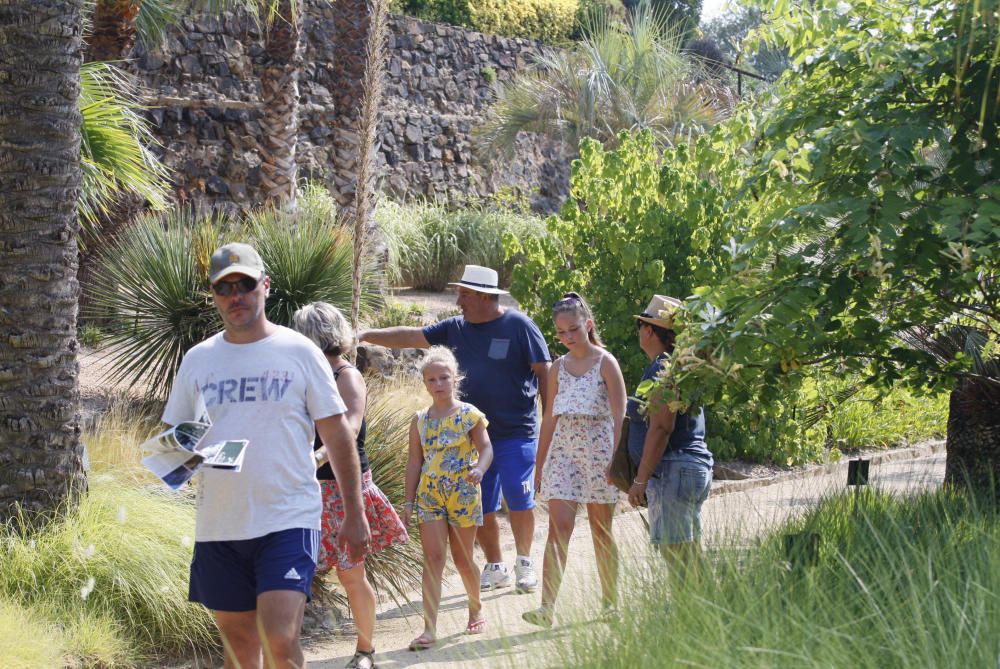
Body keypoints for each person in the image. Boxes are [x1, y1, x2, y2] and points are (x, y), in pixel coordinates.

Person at [162, 242, 371, 669]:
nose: (236, 296)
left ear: (265, 287)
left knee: (279, 636)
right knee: (240, 651)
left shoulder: (300, 353)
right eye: (225, 288)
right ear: (214, 296)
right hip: (220, 524)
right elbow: (176, 445)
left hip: (287, 518)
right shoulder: (198, 360)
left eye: (246, 285)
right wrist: (184, 460)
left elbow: (337, 436)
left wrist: (355, 512)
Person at [359, 265, 551, 594]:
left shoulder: (519, 325)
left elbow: (543, 371)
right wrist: (363, 335)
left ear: (484, 296)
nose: (458, 300)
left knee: (519, 496)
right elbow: (410, 335)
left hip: (516, 431)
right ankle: (495, 565)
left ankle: (524, 562)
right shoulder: (455, 328)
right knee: (483, 504)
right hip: (470, 438)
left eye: (464, 294)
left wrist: (550, 420)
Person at [292, 302, 409, 669]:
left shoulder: (346, 376)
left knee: (351, 574)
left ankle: (365, 650)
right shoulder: (302, 375)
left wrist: (316, 458)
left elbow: (350, 428)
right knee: (294, 576)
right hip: (305, 490)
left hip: (342, 488)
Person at [522, 293, 627, 628]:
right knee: (558, 529)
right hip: (564, 455)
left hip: (600, 456)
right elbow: (549, 417)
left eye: (573, 329)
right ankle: (546, 608)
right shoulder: (557, 368)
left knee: (601, 531)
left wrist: (617, 462)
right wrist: (540, 466)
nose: (567, 337)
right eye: (561, 332)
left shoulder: (606, 362)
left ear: (588, 325)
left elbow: (620, 414)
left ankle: (610, 604)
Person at [402, 347, 494, 650]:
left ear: (455, 379)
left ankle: (475, 606)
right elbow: (414, 462)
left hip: (464, 493)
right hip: (430, 496)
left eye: (444, 377)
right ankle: (429, 628)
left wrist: (480, 469)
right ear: (425, 384)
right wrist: (408, 502)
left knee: (463, 559)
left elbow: (486, 448)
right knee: (433, 558)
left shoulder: (469, 415)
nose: (438, 384)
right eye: (432, 379)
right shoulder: (419, 421)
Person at [626, 295, 713, 572]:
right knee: (691, 559)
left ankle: (691, 615)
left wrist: (640, 479)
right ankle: (713, 613)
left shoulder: (663, 367)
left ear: (649, 329)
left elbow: (662, 426)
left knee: (679, 565)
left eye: (641, 326)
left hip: (672, 469)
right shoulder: (682, 366)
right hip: (689, 467)